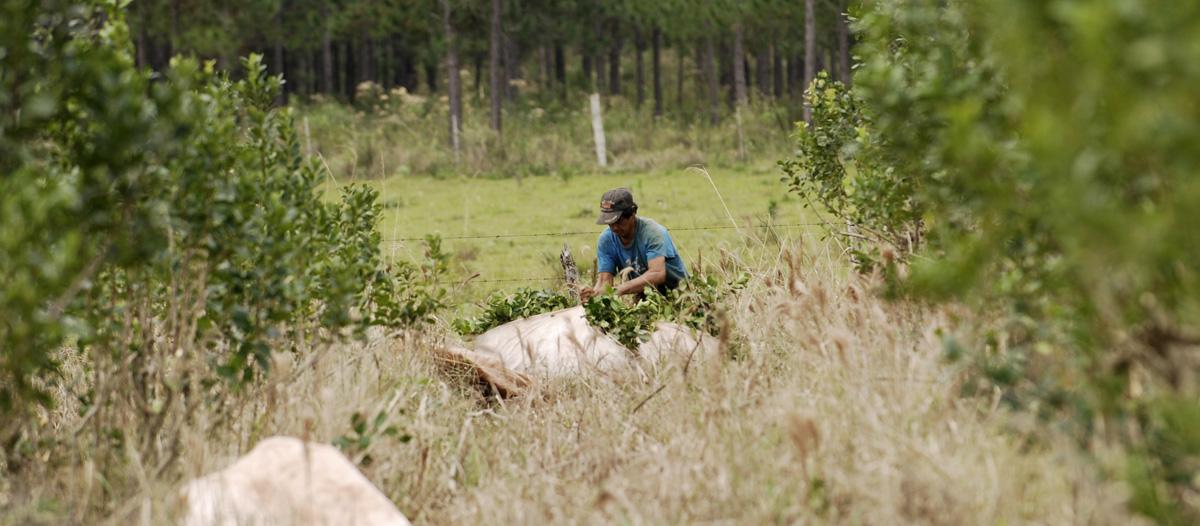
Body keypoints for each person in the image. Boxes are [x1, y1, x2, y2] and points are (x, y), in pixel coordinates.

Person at [579, 188, 688, 302]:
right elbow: (604, 283)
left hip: (680, 295)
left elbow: (657, 273)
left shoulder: (653, 232)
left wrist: (620, 289)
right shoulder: (606, 240)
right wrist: (593, 296)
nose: (614, 228)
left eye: (619, 221)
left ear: (633, 212)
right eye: (610, 223)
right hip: (646, 300)